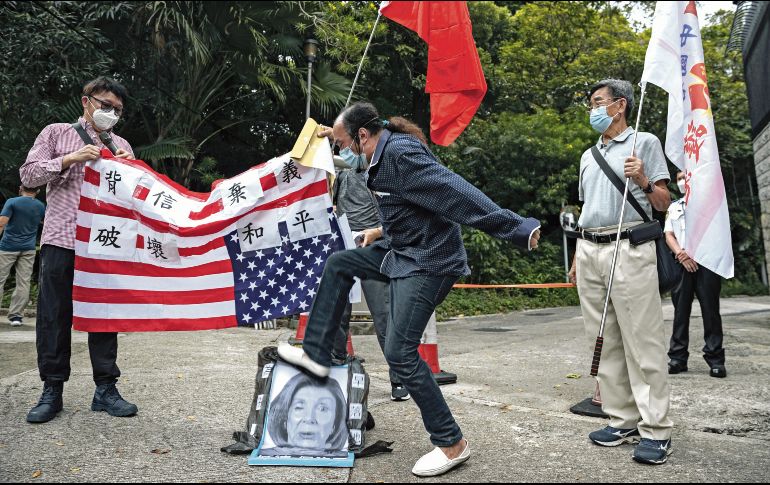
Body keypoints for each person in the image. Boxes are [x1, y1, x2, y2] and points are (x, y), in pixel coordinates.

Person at [278, 101, 541, 477]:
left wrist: (516, 228)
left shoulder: (401, 154)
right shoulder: (378, 151)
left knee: (400, 353)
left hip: (428, 261)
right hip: (400, 250)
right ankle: (318, 355)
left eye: (343, 143)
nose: (342, 151)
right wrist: (380, 229)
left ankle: (452, 444)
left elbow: (455, 193)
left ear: (364, 136)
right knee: (339, 263)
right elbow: (408, 199)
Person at [20, 76, 138, 424]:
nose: (110, 113)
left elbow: (133, 200)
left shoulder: (121, 144)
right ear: (85, 101)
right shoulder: (56, 133)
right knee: (53, 315)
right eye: (105, 105)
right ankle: (51, 390)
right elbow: (28, 175)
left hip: (103, 245)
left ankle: (106, 390)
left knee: (104, 317)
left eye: (117, 110)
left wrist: (129, 167)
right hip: (61, 239)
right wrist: (70, 158)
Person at [568, 79, 674, 464]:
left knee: (642, 341)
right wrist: (579, 254)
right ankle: (622, 418)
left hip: (629, 246)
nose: (592, 110)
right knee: (604, 339)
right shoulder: (587, 155)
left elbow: (663, 202)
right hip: (590, 246)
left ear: (620, 105)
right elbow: (587, 209)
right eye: (591, 104)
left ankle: (656, 428)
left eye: (598, 102)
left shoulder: (643, 142)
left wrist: (644, 179)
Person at [331, 166, 409, 402]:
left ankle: (399, 378)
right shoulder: (338, 173)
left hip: (372, 245)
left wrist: (379, 233)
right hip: (341, 241)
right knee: (338, 313)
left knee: (384, 315)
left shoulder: (378, 169)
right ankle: (338, 372)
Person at [665, 171, 727, 378]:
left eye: (686, 177)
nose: (682, 181)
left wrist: (696, 254)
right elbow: (669, 234)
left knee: (710, 312)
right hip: (681, 264)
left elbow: (716, 233)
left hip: (707, 263)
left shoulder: (709, 205)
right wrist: (682, 255)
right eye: (679, 178)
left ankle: (715, 360)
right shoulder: (674, 207)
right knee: (680, 312)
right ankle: (677, 358)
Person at [262, 372, 348, 458]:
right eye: (299, 407)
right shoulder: (263, 456)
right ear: (284, 420)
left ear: (335, 425)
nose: (309, 418)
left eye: (322, 409)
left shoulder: (345, 457)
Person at [0, 185, 46, 326]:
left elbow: (2, 223)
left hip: (8, 247)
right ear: (37, 191)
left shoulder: (12, 202)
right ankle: (16, 317)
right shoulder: (40, 206)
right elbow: (45, 223)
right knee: (23, 282)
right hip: (28, 248)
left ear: (20, 188)